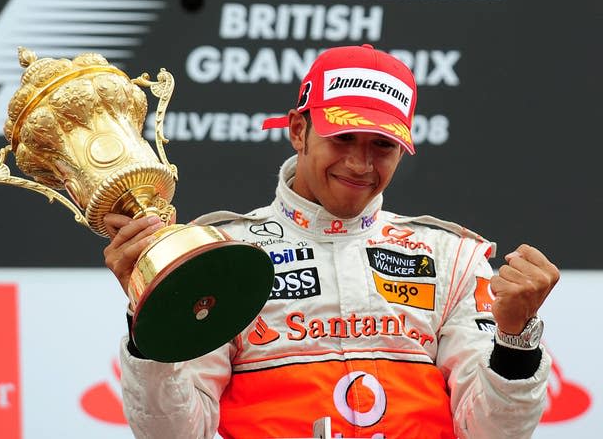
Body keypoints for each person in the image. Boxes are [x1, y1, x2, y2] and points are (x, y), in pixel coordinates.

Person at [103, 44, 559, 439]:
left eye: (382, 145)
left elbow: (494, 431)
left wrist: (515, 340)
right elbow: (174, 432)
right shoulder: (223, 254)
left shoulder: (451, 256)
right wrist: (154, 322)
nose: (361, 164)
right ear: (299, 129)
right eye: (343, 137)